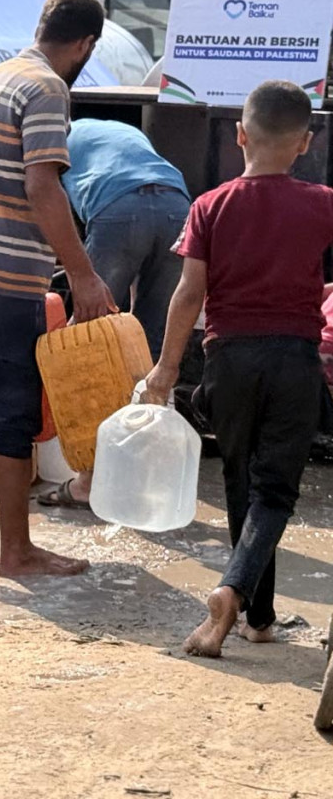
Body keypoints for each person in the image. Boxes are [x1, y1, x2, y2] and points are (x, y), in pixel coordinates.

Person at [0, 0, 115, 578]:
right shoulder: (48, 89)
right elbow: (42, 187)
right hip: (1, 277)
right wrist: (82, 276)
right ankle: (18, 552)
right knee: (11, 413)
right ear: (85, 44)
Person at [145, 80, 333, 658]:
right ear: (304, 143)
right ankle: (235, 593)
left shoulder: (210, 205)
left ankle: (258, 617)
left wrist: (165, 370)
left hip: (228, 359)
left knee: (239, 484)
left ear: (239, 135)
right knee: (274, 490)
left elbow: (187, 295)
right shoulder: (324, 203)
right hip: (295, 360)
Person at [36, 118, 190, 510]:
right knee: (152, 343)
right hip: (177, 205)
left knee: (85, 337)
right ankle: (146, 469)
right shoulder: (119, 131)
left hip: (118, 207)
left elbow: (50, 208)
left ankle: (88, 477)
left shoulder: (55, 143)